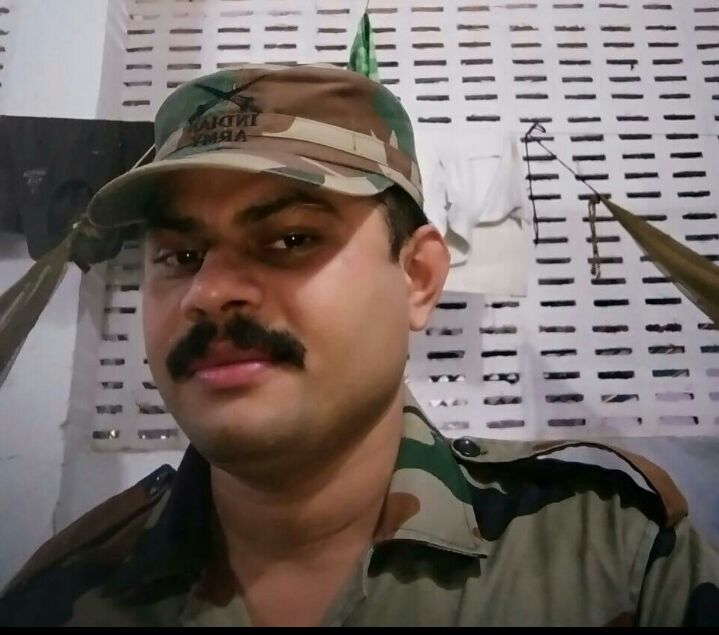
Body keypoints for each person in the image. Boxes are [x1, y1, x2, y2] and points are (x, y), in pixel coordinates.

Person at [1, 63, 718, 627]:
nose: (208, 292)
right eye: (181, 256)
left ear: (418, 277)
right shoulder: (57, 596)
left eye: (291, 239)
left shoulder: (613, 560)